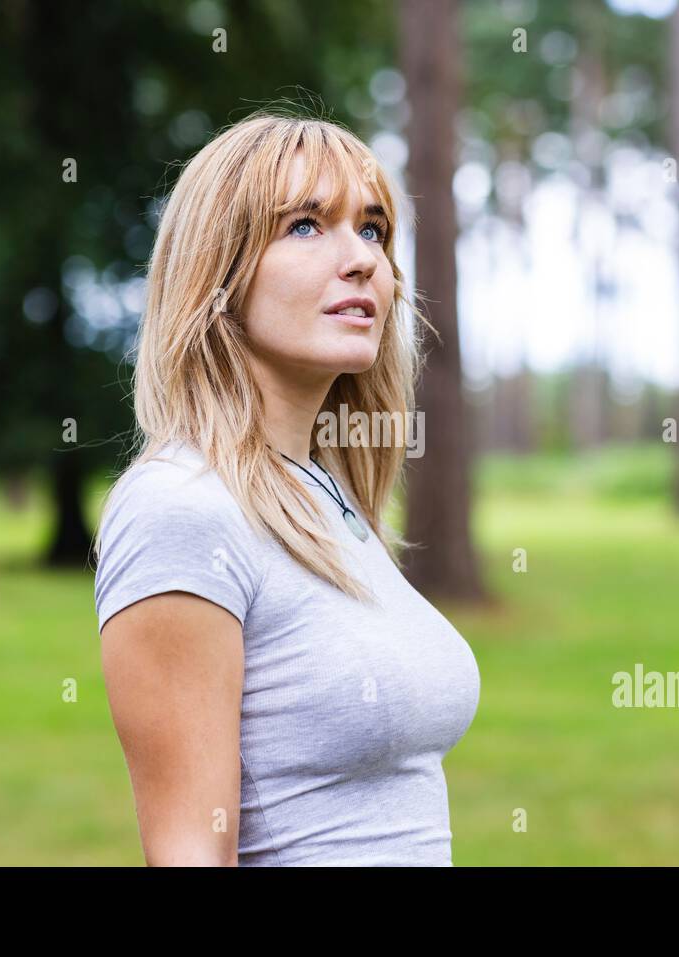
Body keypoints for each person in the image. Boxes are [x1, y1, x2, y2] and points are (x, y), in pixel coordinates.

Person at [93, 109, 481, 866]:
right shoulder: (181, 508)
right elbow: (189, 854)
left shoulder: (323, 491)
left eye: (371, 229)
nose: (364, 260)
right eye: (306, 225)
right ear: (216, 273)